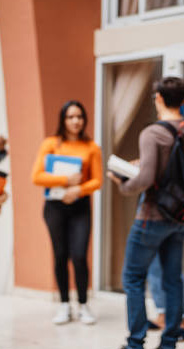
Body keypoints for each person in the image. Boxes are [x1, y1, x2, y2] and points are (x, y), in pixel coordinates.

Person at [108, 76, 184, 349]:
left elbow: (144, 181)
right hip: (179, 218)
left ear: (158, 98)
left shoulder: (152, 133)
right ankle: (169, 340)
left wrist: (123, 183)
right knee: (172, 278)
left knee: (132, 277)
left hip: (152, 217)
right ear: (183, 101)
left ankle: (135, 341)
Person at [32, 100, 102, 325]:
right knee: (60, 255)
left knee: (79, 256)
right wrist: (65, 180)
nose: (75, 121)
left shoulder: (92, 147)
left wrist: (77, 189)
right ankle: (64, 304)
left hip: (80, 207)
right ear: (63, 119)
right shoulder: (51, 144)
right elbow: (37, 176)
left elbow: (97, 181)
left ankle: (83, 304)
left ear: (84, 120)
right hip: (55, 207)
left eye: (79, 117)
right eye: (71, 117)